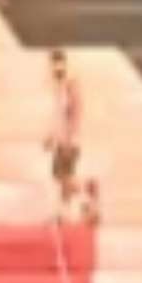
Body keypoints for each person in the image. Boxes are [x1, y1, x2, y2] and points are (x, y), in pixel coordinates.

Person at [44, 50, 82, 206]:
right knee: (61, 174)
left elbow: (74, 112)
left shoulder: (69, 84)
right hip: (64, 140)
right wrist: (52, 138)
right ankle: (67, 208)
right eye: (53, 66)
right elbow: (58, 115)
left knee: (61, 174)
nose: (54, 69)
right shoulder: (59, 86)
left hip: (68, 141)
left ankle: (84, 193)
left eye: (57, 66)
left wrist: (69, 138)